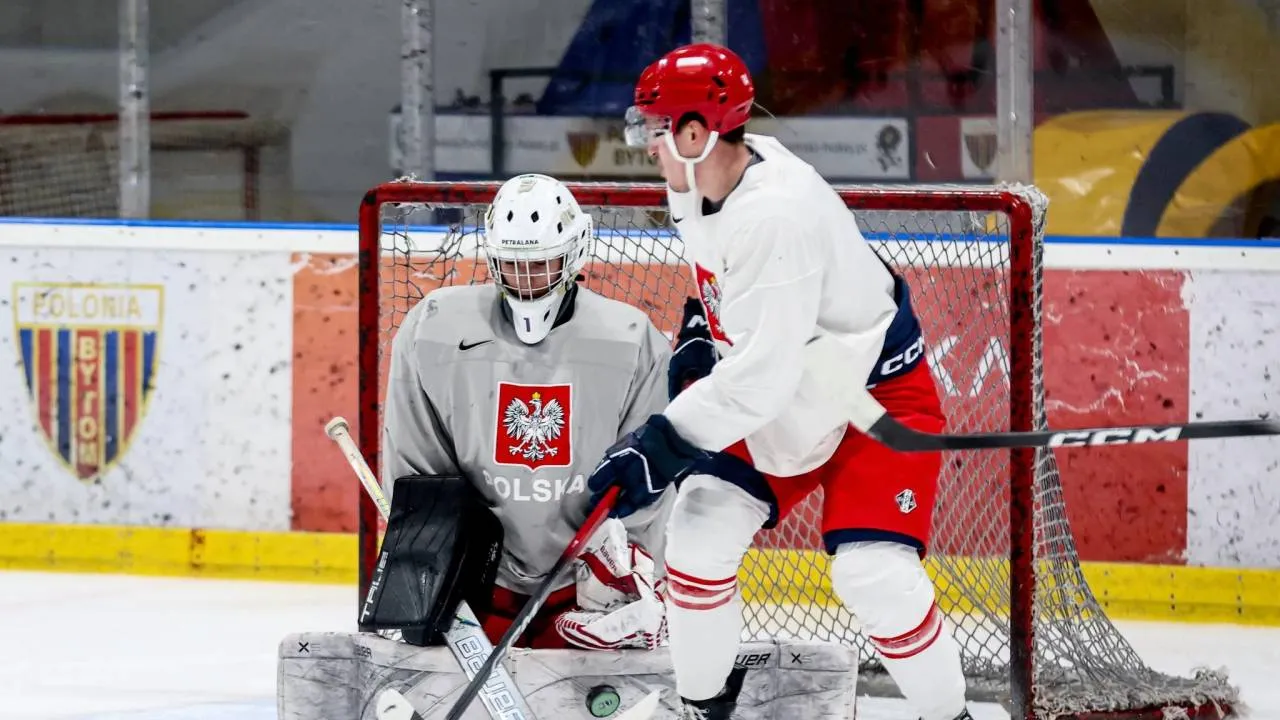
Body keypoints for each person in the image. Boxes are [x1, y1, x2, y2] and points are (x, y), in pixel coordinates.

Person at [586, 44, 973, 720]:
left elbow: (760, 380)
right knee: (698, 535)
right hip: (783, 385)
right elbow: (742, 300)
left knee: (875, 576)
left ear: (696, 134)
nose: (646, 143)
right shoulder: (706, 178)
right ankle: (704, 708)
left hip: (867, 399)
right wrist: (705, 326)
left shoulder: (776, 212)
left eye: (656, 127)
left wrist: (663, 442)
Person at [381, 172, 674, 652]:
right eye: (511, 265)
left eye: (540, 264)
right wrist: (425, 552)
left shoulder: (631, 339)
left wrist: (630, 578)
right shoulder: (433, 329)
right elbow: (416, 462)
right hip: (471, 583)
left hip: (586, 590)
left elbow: (648, 479)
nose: (526, 280)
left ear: (574, 254)